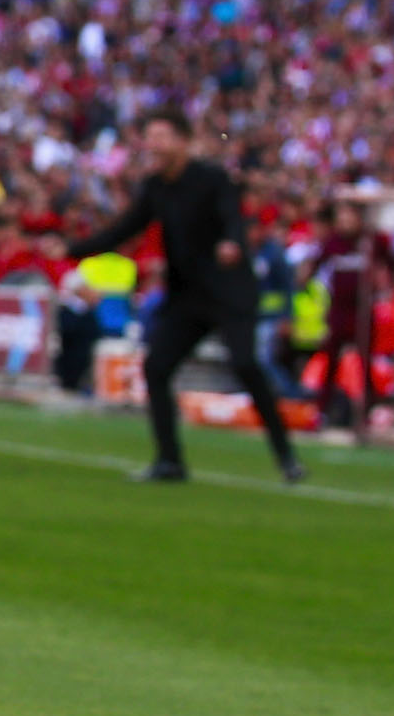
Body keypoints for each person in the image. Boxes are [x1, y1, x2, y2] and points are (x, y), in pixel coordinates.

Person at [62, 108, 303, 484]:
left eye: (161, 136)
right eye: (149, 137)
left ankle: (286, 456)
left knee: (246, 366)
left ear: (183, 140)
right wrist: (70, 250)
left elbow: (231, 219)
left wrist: (231, 243)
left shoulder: (210, 178)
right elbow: (124, 229)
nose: (152, 145)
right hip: (188, 297)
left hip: (229, 292)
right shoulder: (156, 187)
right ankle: (169, 460)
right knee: (156, 367)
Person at [309, 198, 391, 431]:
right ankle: (322, 410)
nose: (345, 222)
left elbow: (388, 266)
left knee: (364, 361)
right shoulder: (333, 242)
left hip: (363, 310)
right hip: (339, 309)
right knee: (331, 359)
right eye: (341, 217)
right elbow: (315, 268)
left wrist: (383, 284)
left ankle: (366, 411)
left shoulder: (371, 242)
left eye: (349, 217)